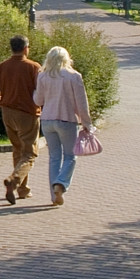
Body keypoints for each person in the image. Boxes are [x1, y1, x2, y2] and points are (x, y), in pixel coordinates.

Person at [32, 46, 94, 206]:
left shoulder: (43, 76)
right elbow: (82, 103)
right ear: (67, 59)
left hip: (47, 120)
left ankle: (54, 195)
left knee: (54, 157)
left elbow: (38, 101)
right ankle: (60, 183)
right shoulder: (74, 76)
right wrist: (86, 123)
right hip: (67, 120)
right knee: (70, 156)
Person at [0, 35, 41, 205]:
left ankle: (23, 190)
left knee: (17, 149)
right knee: (30, 153)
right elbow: (41, 91)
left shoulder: (2, 67)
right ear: (26, 48)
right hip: (27, 113)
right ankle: (15, 180)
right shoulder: (33, 67)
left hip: (8, 112)